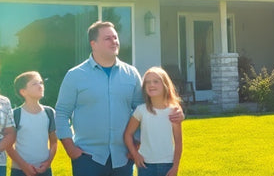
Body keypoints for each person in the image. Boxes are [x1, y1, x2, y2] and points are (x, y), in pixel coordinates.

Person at [56, 21, 183, 176]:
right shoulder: (75, 75)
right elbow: (62, 113)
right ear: (93, 44)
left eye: (115, 37)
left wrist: (176, 111)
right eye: (107, 38)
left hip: (123, 158)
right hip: (87, 158)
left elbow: (145, 109)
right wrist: (70, 148)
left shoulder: (131, 74)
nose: (114, 41)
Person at [124, 67, 183, 176]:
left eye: (156, 81)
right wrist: (135, 154)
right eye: (148, 82)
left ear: (165, 84)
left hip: (168, 165)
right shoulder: (141, 110)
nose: (151, 85)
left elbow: (178, 142)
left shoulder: (173, 111)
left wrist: (175, 166)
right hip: (145, 165)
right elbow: (128, 134)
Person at [7, 71, 58, 176]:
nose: (40, 86)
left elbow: (54, 142)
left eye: (41, 83)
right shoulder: (15, 114)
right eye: (35, 84)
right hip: (20, 171)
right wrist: (24, 166)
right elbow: (8, 145)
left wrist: (48, 163)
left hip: (44, 170)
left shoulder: (49, 113)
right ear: (23, 91)